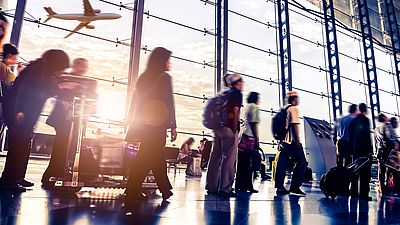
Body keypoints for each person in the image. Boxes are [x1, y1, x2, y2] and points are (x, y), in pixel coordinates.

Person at [0, 50, 74, 191]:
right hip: (20, 112)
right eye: (61, 68)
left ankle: (17, 177)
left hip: (23, 113)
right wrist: (19, 112)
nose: (61, 71)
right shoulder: (38, 70)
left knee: (23, 144)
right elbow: (29, 91)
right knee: (18, 147)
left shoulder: (41, 69)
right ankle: (8, 180)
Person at [125, 47, 176, 202]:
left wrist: (130, 119)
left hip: (143, 125)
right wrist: (173, 125)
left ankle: (136, 189)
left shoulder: (143, 77)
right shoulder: (165, 78)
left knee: (149, 156)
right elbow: (169, 102)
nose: (170, 63)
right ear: (161, 61)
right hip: (157, 125)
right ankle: (157, 189)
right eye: (168, 60)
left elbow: (135, 100)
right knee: (150, 156)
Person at [41, 58, 89, 186]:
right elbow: (56, 92)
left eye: (85, 67)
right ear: (75, 65)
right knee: (61, 147)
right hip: (63, 119)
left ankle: (60, 173)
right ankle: (52, 175)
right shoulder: (65, 78)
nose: (84, 69)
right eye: (82, 66)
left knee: (67, 147)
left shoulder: (81, 82)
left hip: (74, 120)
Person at [206, 73, 243, 197]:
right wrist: (234, 128)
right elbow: (235, 111)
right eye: (241, 81)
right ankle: (225, 189)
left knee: (215, 157)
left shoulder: (223, 95)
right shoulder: (236, 93)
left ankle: (211, 186)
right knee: (229, 159)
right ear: (237, 83)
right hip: (229, 128)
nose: (242, 84)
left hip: (217, 128)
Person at [274, 91, 307, 196]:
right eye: (297, 98)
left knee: (282, 164)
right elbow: (294, 125)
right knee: (302, 162)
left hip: (283, 141)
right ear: (294, 99)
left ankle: (279, 187)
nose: (298, 100)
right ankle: (295, 187)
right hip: (292, 142)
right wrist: (297, 140)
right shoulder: (293, 109)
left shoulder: (284, 109)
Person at [235, 92, 260, 193]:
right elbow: (254, 124)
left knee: (241, 163)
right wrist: (257, 138)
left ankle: (239, 185)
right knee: (249, 163)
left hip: (242, 136)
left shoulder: (246, 107)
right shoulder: (254, 107)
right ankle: (248, 186)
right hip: (249, 137)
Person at [349, 103, 373, 200]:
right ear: (365, 110)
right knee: (365, 173)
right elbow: (366, 136)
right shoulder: (366, 120)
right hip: (364, 151)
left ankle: (353, 192)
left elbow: (350, 136)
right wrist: (369, 150)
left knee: (354, 171)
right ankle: (363, 194)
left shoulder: (353, 121)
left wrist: (352, 149)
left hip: (355, 151)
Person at [375, 113, 398, 194]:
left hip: (380, 152)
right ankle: (394, 187)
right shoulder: (386, 126)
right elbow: (389, 138)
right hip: (387, 152)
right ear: (384, 118)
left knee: (382, 171)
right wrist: (396, 145)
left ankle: (381, 188)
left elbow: (377, 142)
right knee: (394, 170)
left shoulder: (376, 128)